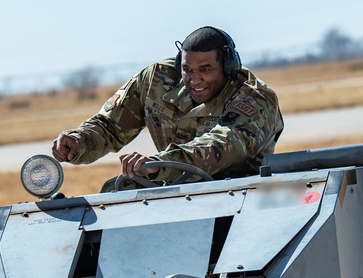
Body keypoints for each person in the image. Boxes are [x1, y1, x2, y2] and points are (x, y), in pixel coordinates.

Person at [52, 26, 283, 186]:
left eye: (205, 70)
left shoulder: (255, 98)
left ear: (229, 66)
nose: (194, 80)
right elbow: (110, 126)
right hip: (173, 190)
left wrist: (159, 164)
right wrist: (78, 140)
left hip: (238, 195)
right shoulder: (157, 80)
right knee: (119, 190)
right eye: (187, 69)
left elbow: (222, 144)